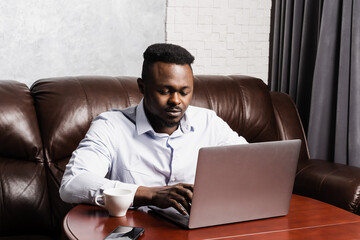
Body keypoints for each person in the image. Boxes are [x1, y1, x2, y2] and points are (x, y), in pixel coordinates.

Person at [59, 43, 248, 215]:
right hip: (137, 227)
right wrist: (149, 194)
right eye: (165, 91)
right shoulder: (111, 125)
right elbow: (72, 183)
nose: (176, 100)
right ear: (142, 87)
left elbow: (250, 163)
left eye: (184, 92)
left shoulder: (208, 122)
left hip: (195, 227)